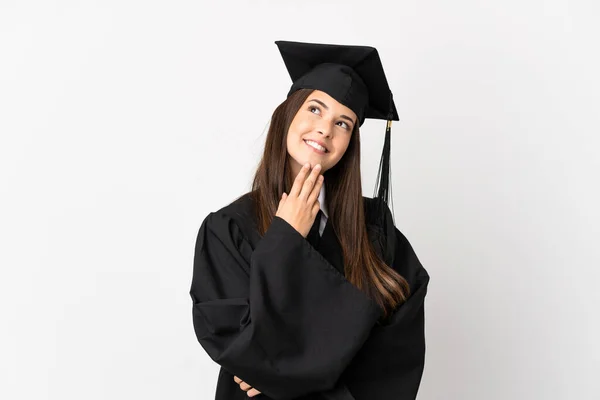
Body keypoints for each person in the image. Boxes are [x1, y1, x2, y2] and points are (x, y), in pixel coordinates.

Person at [189, 40, 430, 400]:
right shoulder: (228, 228)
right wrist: (285, 239)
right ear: (288, 113)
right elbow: (238, 346)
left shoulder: (375, 228)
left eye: (343, 122)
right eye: (315, 108)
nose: (325, 129)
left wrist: (281, 371)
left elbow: (398, 351)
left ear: (350, 142)